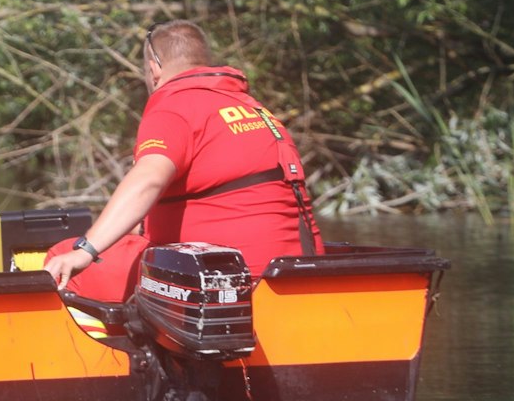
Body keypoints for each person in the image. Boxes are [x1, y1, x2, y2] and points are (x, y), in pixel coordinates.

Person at [43, 20, 323, 299]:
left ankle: (121, 343)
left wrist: (85, 250)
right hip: (295, 277)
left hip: (233, 283)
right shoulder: (253, 108)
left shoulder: (175, 106)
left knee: (62, 259)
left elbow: (148, 180)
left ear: (154, 69)